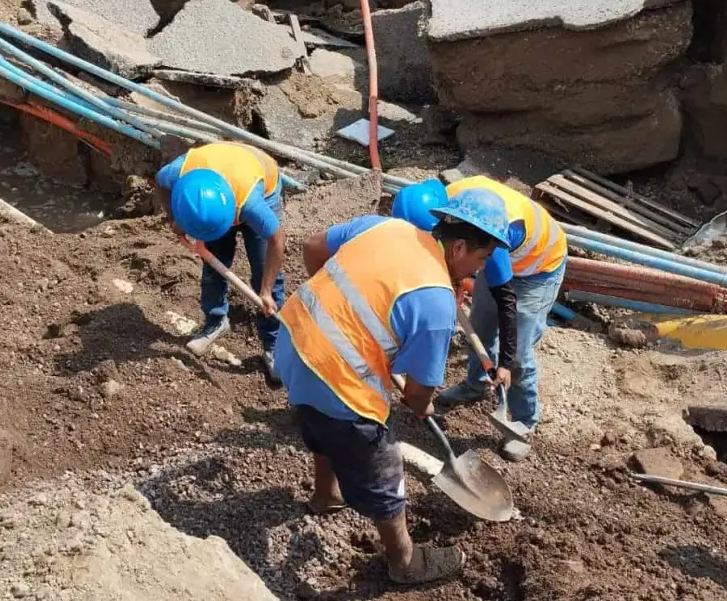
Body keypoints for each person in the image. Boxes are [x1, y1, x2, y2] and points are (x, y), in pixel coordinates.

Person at [274, 188, 511, 585]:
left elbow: (314, 247)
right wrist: (422, 403)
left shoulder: (387, 228)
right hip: (337, 380)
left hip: (292, 341)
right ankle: (405, 561)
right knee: (384, 465)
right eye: (482, 259)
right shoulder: (436, 302)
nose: (480, 271)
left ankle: (326, 495)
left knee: (318, 420)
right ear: (459, 249)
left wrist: (336, 317)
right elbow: (416, 394)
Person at [392, 176, 567, 462]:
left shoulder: (491, 242)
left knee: (520, 353)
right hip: (490, 251)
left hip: (538, 268)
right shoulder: (446, 207)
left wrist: (506, 362)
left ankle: (524, 421)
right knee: (481, 328)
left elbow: (506, 301)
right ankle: (476, 386)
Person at [154, 142, 285, 373]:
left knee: (263, 271)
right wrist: (173, 219)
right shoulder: (177, 174)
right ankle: (216, 322)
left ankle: (274, 343)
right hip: (218, 174)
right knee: (214, 265)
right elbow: (160, 182)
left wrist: (264, 290)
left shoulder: (252, 205)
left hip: (259, 179)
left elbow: (276, 241)